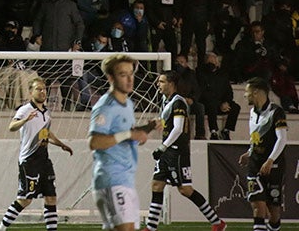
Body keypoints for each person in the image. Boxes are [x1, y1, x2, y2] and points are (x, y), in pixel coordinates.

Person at [88, 54, 161, 231]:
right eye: (123, 74)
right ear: (111, 78)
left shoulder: (128, 104)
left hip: (125, 179)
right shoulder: (106, 106)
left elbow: (129, 135)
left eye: (131, 74)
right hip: (111, 178)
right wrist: (129, 134)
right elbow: (94, 141)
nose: (129, 79)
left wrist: (148, 127)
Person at [145, 70, 225, 231]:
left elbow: (179, 129)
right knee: (156, 185)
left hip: (177, 152)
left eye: (161, 81)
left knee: (185, 189)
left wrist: (163, 147)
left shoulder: (179, 102)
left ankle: (217, 222)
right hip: (166, 152)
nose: (158, 84)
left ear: (171, 83)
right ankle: (150, 227)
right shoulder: (165, 100)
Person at [0, 77, 73, 231]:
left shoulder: (46, 112)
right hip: (29, 161)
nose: (42, 92)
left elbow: (46, 133)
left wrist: (61, 144)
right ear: (31, 92)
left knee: (51, 197)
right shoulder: (25, 110)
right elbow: (11, 126)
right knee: (25, 199)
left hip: (44, 160)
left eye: (44, 89)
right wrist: (24, 120)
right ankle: (1, 228)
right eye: (38, 89)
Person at [238, 77, 288, 231]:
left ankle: (274, 226)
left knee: (274, 210)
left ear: (257, 92)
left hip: (274, 165)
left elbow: (282, 139)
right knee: (257, 205)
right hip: (255, 164)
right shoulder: (253, 112)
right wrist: (249, 152)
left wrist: (270, 160)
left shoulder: (276, 112)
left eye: (247, 92)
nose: (245, 95)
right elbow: (255, 137)